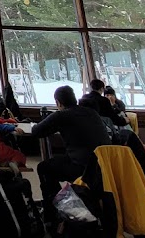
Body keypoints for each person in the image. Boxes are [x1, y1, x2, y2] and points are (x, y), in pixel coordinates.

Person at [31, 85, 110, 220]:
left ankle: (55, 210)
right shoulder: (92, 113)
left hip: (82, 168)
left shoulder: (61, 115)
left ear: (58, 103)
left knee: (44, 167)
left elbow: (37, 131)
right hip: (104, 165)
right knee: (60, 161)